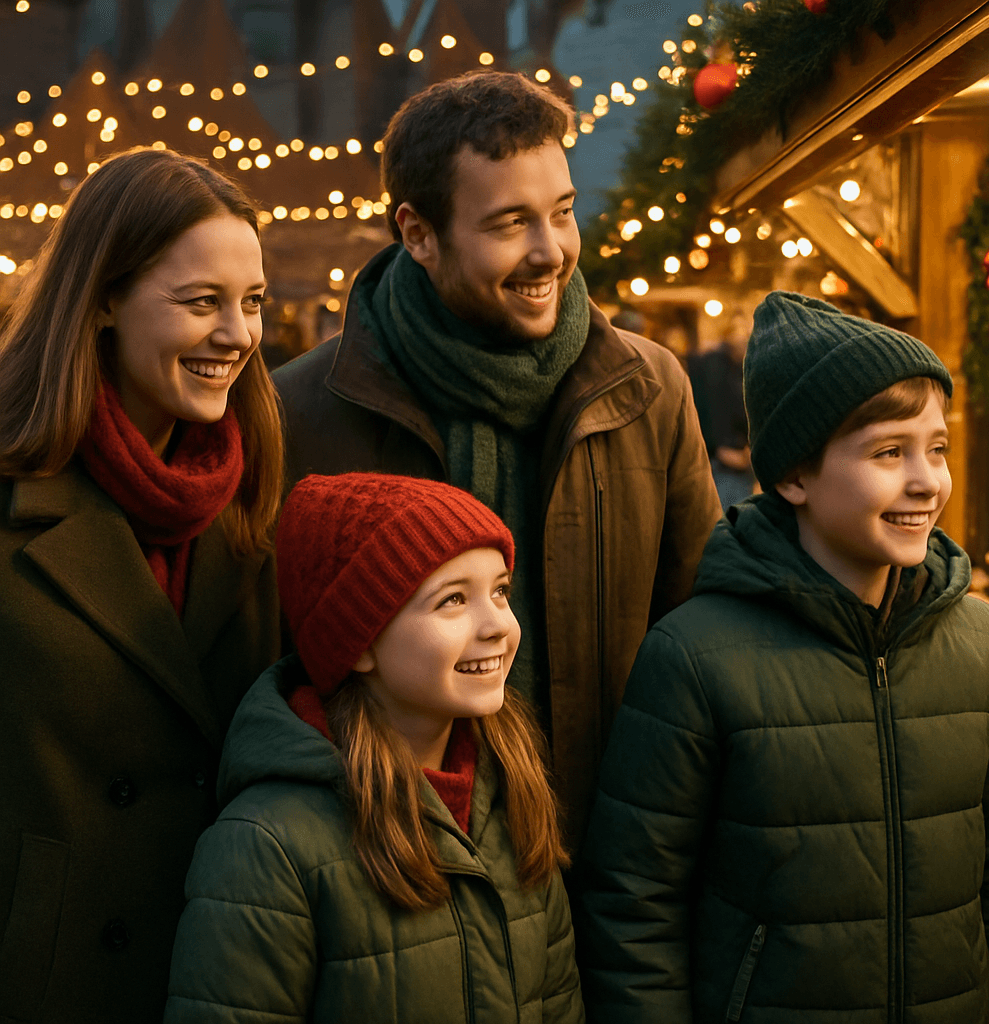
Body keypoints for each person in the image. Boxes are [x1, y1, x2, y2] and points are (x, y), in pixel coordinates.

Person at [273, 71, 721, 849]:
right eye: (511, 223)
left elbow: (703, 636)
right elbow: (274, 671)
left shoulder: (648, 389)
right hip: (389, 858)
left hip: (614, 849)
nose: (551, 252)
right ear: (417, 233)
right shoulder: (302, 412)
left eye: (563, 212)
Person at [576, 291, 989, 1023]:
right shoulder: (695, 659)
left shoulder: (980, 642)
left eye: (936, 448)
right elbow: (635, 907)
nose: (927, 481)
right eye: (889, 452)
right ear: (793, 476)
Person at [0, 148, 282, 1023]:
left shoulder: (256, 500)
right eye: (203, 302)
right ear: (105, 301)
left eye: (253, 303)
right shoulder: (14, 499)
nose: (238, 334)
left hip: (221, 973)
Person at [164, 472, 584, 1023]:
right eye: (453, 600)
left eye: (501, 591)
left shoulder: (513, 792)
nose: (498, 626)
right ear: (358, 643)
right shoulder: (267, 848)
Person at [690, 309, 755, 508]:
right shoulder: (714, 365)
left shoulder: (739, 367)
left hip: (736, 456)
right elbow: (710, 409)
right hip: (722, 460)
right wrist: (720, 447)